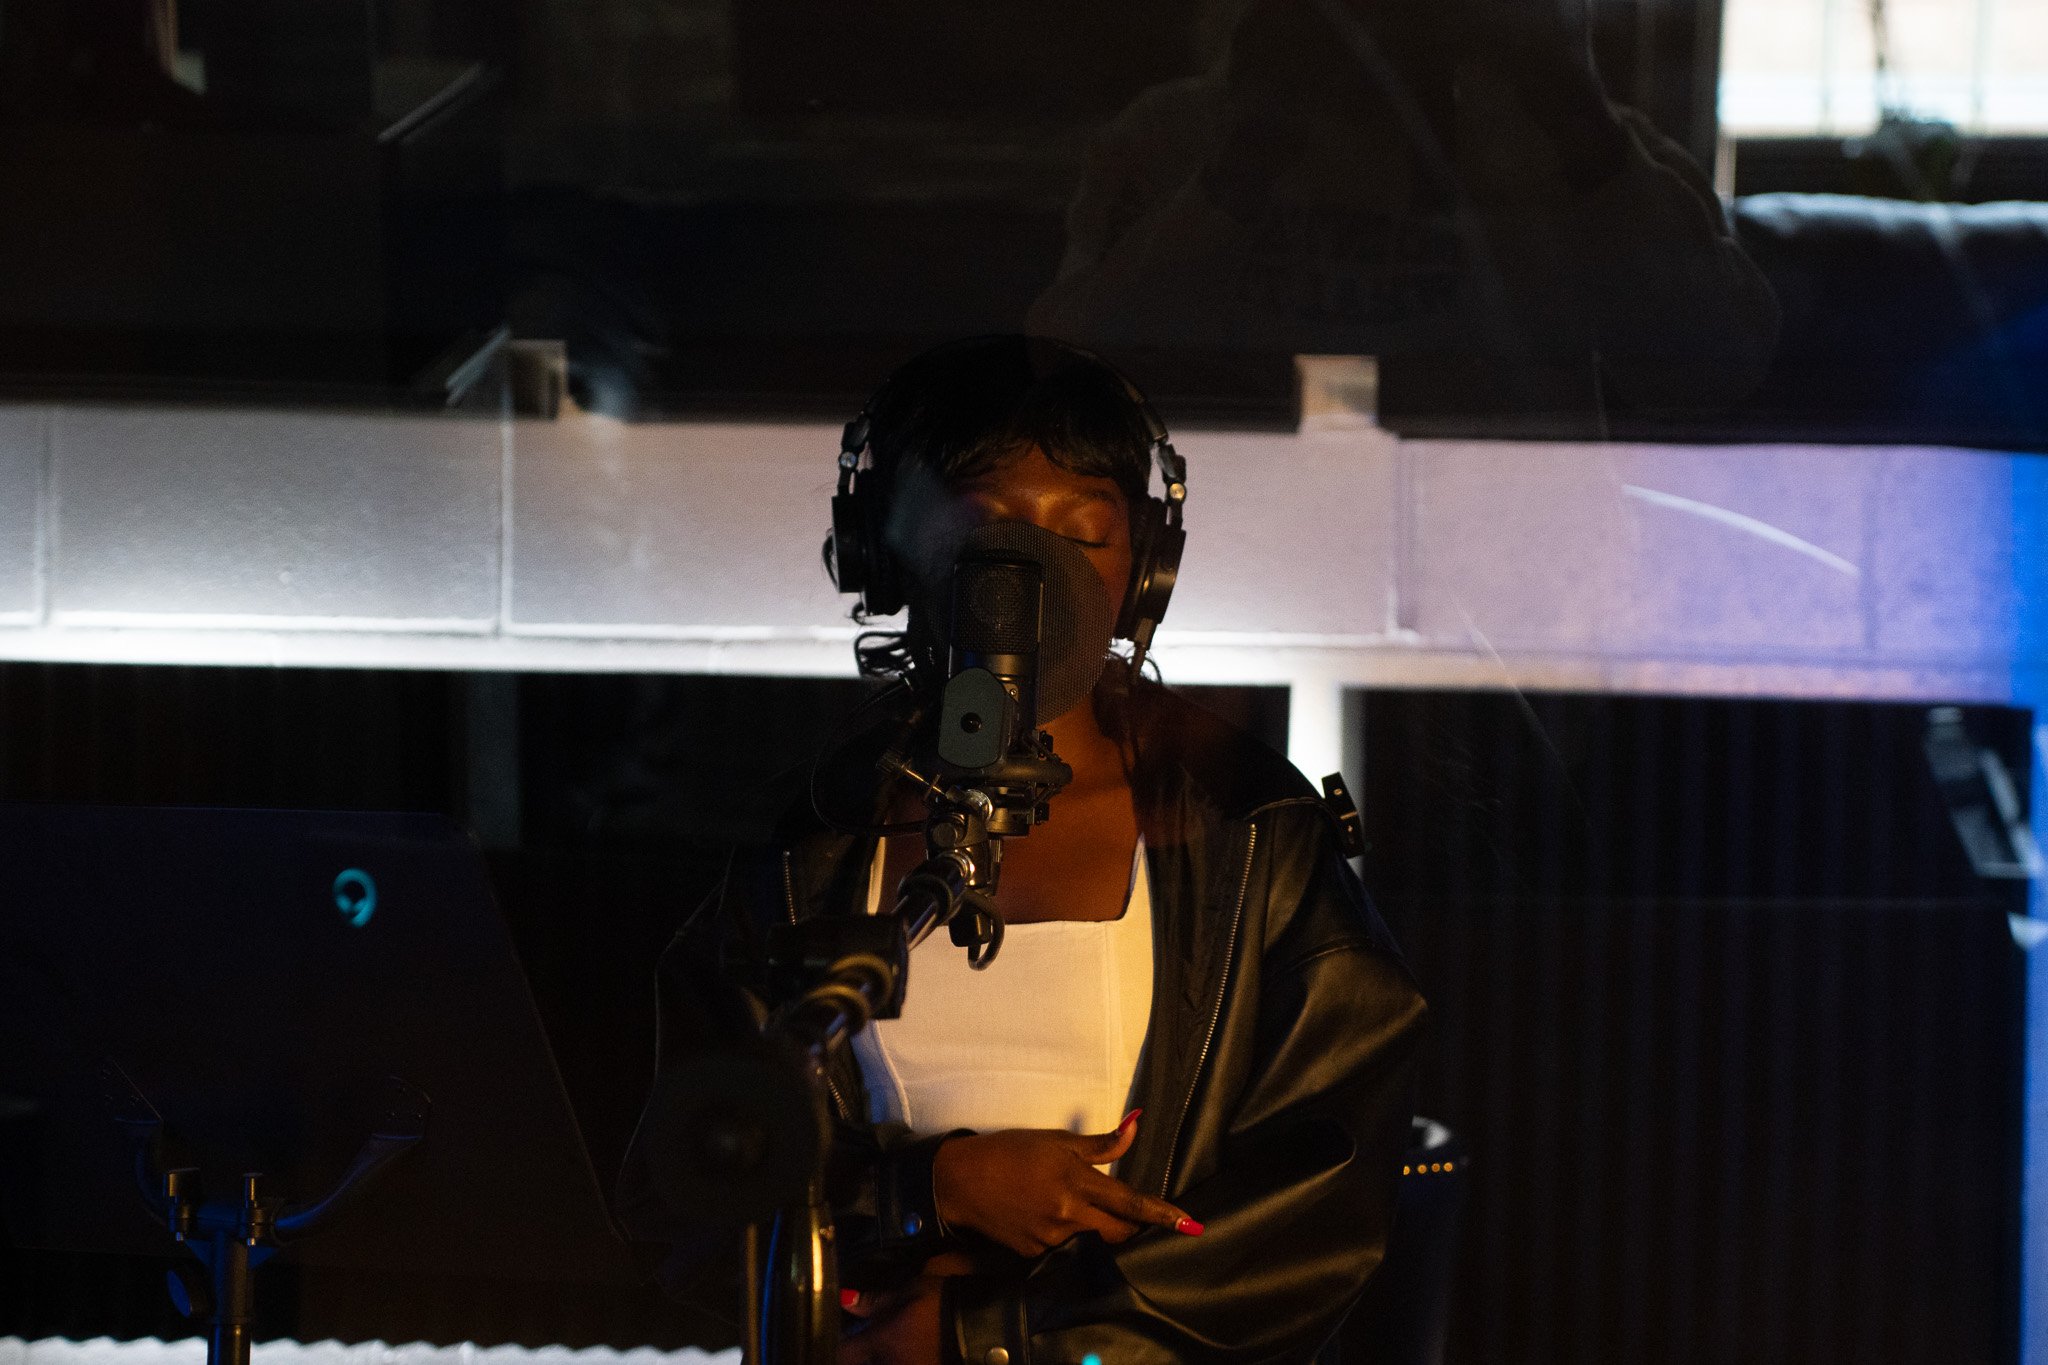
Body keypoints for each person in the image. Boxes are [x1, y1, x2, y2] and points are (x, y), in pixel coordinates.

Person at [618, 336, 1427, 1364]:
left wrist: (986, 1335)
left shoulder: (1249, 830)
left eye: (1081, 534)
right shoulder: (805, 852)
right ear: (886, 553)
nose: (1032, 581)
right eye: (987, 533)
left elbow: (1318, 1208)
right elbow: (681, 1192)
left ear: (1142, 568)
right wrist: (930, 1189)